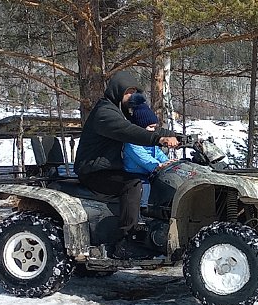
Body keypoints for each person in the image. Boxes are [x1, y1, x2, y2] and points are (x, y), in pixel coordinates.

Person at [74, 71, 180, 259]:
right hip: (93, 170)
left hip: (110, 168)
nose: (132, 96)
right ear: (117, 91)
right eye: (128, 92)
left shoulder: (121, 111)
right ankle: (126, 240)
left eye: (134, 92)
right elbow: (130, 132)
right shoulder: (105, 113)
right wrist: (159, 139)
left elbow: (144, 127)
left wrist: (176, 136)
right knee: (132, 184)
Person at [122, 92, 174, 177]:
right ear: (140, 127)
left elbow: (157, 153)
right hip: (134, 175)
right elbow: (143, 157)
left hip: (150, 172)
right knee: (144, 185)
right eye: (150, 127)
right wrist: (157, 165)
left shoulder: (150, 140)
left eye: (154, 127)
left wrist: (167, 162)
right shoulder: (132, 142)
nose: (153, 130)